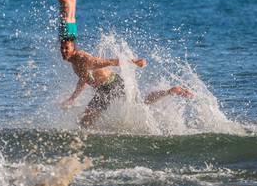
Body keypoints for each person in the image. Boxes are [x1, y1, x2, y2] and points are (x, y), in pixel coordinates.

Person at [59, 38, 193, 128]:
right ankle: (170, 91)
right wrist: (72, 98)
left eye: (67, 48)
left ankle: (171, 91)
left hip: (112, 86)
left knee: (84, 122)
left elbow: (110, 62)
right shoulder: (74, 61)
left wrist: (134, 61)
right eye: (62, 48)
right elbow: (84, 78)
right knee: (85, 122)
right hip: (106, 88)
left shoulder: (83, 58)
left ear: (73, 49)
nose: (64, 51)